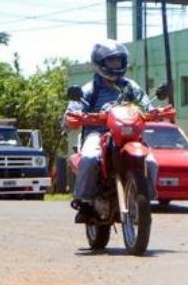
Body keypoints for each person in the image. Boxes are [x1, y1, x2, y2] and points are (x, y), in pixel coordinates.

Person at [64, 39, 158, 223]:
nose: (116, 65)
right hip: (97, 133)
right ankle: (84, 201)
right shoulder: (90, 89)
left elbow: (145, 103)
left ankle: (146, 199)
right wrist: (73, 115)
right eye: (111, 61)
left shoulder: (129, 86)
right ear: (100, 63)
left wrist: (154, 111)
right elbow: (74, 109)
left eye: (119, 61)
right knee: (90, 158)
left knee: (152, 161)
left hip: (127, 134)